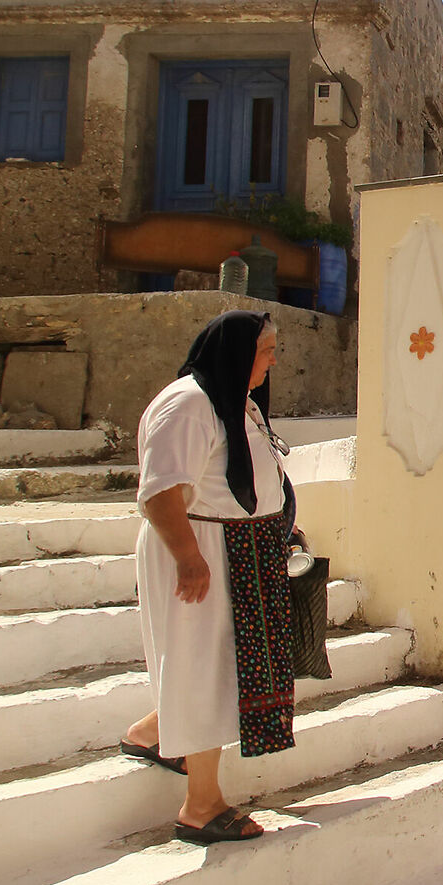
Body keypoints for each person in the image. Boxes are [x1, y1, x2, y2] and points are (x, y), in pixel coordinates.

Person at [117, 310, 300, 845]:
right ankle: (201, 807)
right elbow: (159, 491)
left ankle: (153, 734)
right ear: (238, 352)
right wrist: (188, 557)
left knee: (217, 665)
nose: (273, 359)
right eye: (266, 350)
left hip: (238, 548)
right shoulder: (189, 404)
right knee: (204, 667)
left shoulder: (231, 401)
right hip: (203, 550)